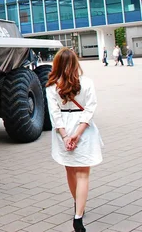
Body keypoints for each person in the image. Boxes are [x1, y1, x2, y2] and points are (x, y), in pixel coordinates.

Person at [46, 48, 103, 232]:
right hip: (83, 129)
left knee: (70, 171)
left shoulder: (52, 86)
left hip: (63, 128)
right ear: (75, 63)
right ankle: (78, 217)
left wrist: (65, 136)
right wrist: (77, 134)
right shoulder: (86, 83)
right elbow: (90, 108)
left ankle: (78, 204)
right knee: (83, 174)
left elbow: (54, 115)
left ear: (56, 65)